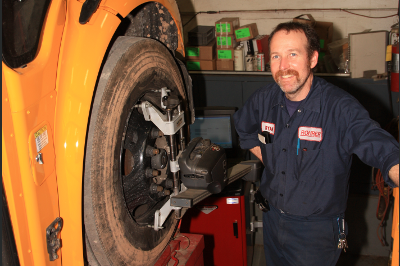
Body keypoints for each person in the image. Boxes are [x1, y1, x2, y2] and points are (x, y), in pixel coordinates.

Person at [233, 21, 399, 266]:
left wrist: (395, 166)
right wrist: (268, 156)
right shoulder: (264, 100)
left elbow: (375, 142)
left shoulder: (339, 108)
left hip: (315, 234)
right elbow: (244, 130)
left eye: (293, 54)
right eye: (276, 56)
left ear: (312, 59)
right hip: (271, 219)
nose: (283, 66)